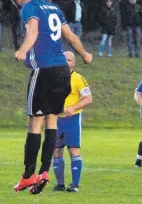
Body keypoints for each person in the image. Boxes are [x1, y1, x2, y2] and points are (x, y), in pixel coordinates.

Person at [11, 0, 92, 195]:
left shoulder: (28, 7)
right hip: (63, 71)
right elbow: (71, 37)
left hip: (44, 70)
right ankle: (45, 172)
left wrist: (22, 50)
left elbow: (34, 32)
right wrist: (84, 54)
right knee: (52, 121)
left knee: (35, 123)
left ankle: (28, 176)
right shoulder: (53, 7)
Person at [52, 51, 93, 193]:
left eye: (69, 60)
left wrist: (73, 107)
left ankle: (75, 185)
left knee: (73, 150)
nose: (66, 62)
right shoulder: (52, 78)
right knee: (56, 150)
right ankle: (60, 184)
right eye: (63, 59)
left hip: (72, 119)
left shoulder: (78, 79)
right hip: (55, 119)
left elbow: (88, 98)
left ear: (74, 63)